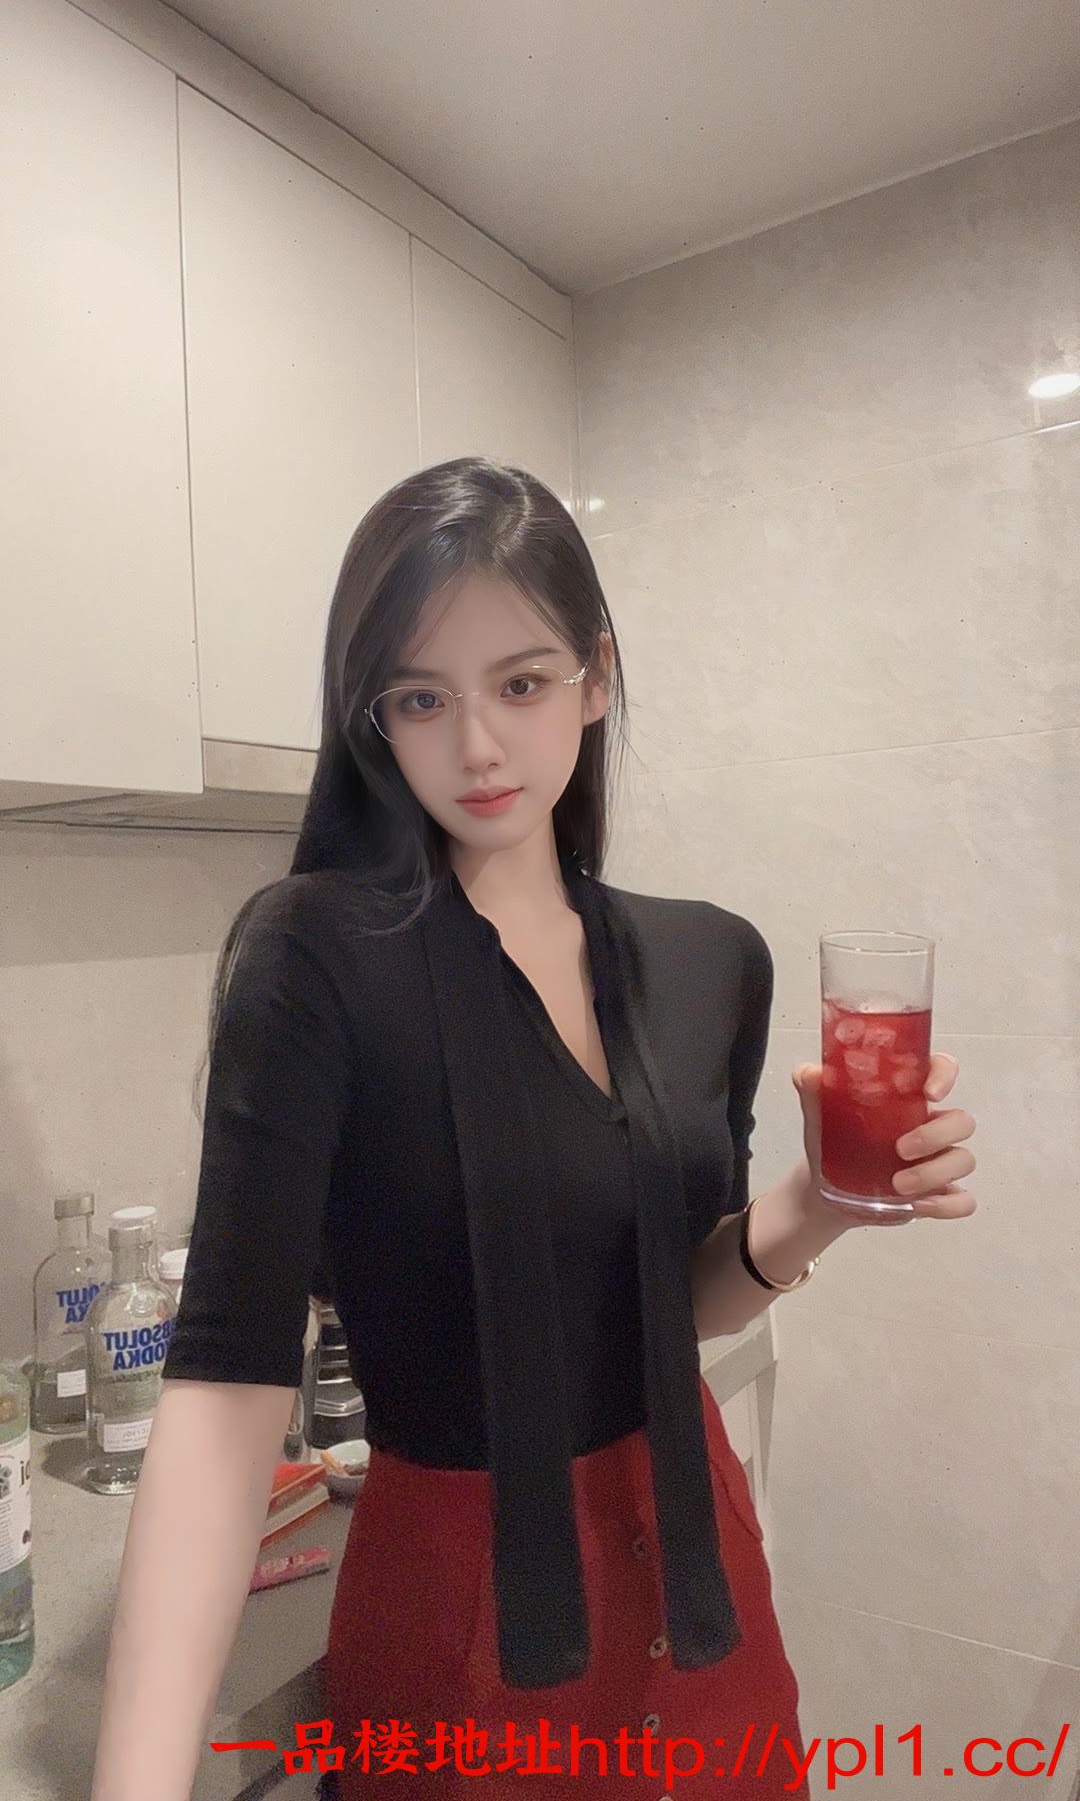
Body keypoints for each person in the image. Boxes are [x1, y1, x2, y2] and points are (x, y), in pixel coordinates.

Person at [89, 457, 977, 1800]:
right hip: (462, 1602)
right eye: (421, 698)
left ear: (595, 675)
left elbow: (667, 1304)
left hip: (697, 1579)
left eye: (520, 682)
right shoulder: (317, 958)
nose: (479, 748)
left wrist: (818, 1207)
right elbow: (224, 1393)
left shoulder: (709, 961)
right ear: (373, 718)